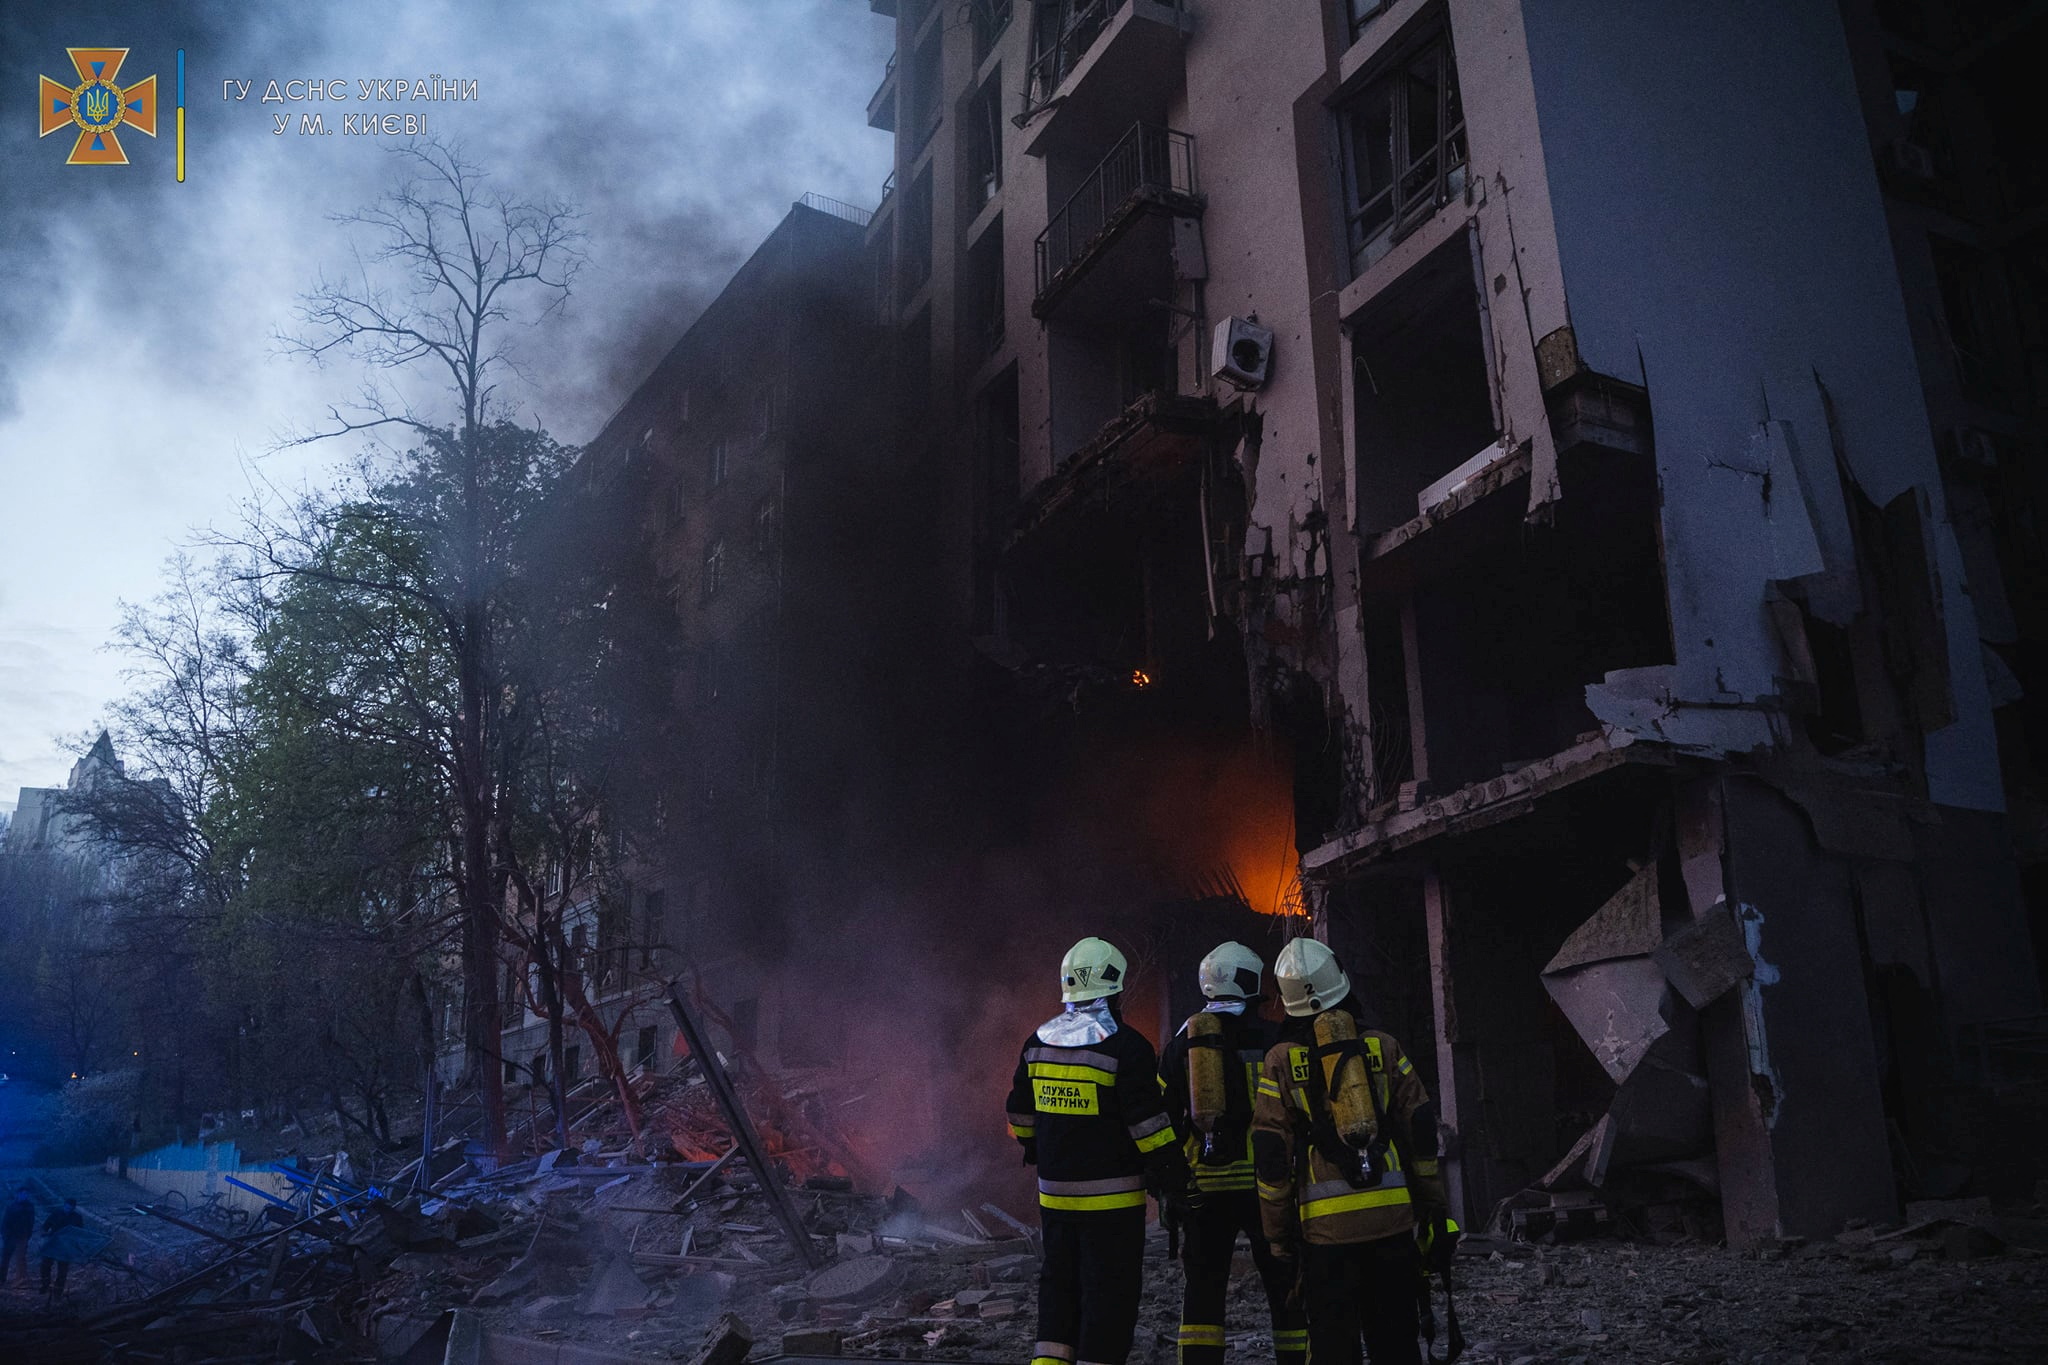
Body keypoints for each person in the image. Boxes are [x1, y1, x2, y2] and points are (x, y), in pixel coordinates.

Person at [1251, 939, 1454, 1365]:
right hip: (1393, 1223)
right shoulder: (1384, 1047)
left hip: (1325, 1237)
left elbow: (1271, 1158)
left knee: (1334, 1348)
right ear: (1340, 982)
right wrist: (1432, 1207)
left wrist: (1278, 1239)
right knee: (1397, 1343)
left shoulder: (1280, 1062)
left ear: (1288, 1003)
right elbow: (1419, 1130)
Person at [1007, 936, 1188, 1365]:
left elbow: (1019, 1118)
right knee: (1109, 1293)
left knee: (1059, 1286)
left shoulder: (1037, 1042)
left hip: (1054, 1196)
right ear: (1116, 985)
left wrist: (1039, 1150)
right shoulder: (1127, 1047)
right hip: (1113, 1202)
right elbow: (1149, 1127)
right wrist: (1174, 1176)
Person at [1158, 942, 1309, 1365]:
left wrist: (1169, 1184)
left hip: (1204, 1185)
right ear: (1250, 981)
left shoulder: (1181, 1045)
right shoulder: (1275, 1037)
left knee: (1203, 1289)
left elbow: (1161, 1116)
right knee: (1285, 1285)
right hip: (1269, 1185)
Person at [40, 1196, 86, 1297]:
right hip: (53, 1243)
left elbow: (80, 1232)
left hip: (66, 1247)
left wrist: (76, 1245)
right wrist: (44, 1235)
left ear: (73, 1208)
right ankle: (45, 1285)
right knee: (45, 1265)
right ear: (64, 1206)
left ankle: (58, 1292)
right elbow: (45, 1226)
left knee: (62, 1271)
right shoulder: (56, 1213)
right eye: (66, 1207)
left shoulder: (77, 1217)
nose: (68, 1210)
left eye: (70, 1208)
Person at [1, 1186, 33, 1287]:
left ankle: (20, 1279)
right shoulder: (11, 1206)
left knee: (20, 1258)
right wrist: (5, 1234)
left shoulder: (29, 1207)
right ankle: (2, 1279)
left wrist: (28, 1235)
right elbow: (5, 1221)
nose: (25, 1196)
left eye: (27, 1194)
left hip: (22, 1236)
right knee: (5, 1258)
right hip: (10, 1236)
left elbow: (30, 1222)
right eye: (23, 1194)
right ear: (18, 1194)